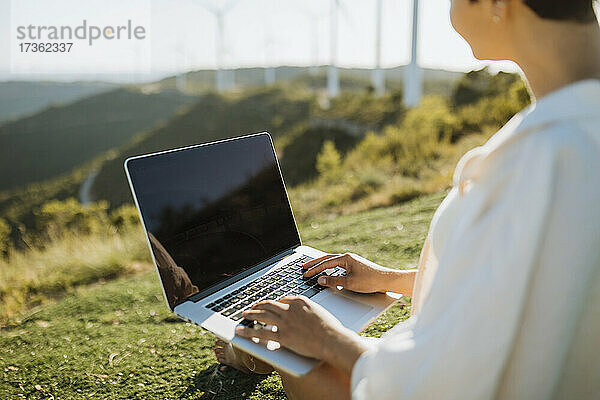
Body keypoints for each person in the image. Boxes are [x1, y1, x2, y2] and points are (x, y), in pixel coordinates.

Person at [214, 0, 600, 398]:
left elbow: (443, 384)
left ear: (498, 4)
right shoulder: (572, 134)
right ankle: (248, 352)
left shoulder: (545, 162)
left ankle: (247, 352)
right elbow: (539, 289)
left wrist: (328, 338)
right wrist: (390, 280)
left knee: (301, 358)